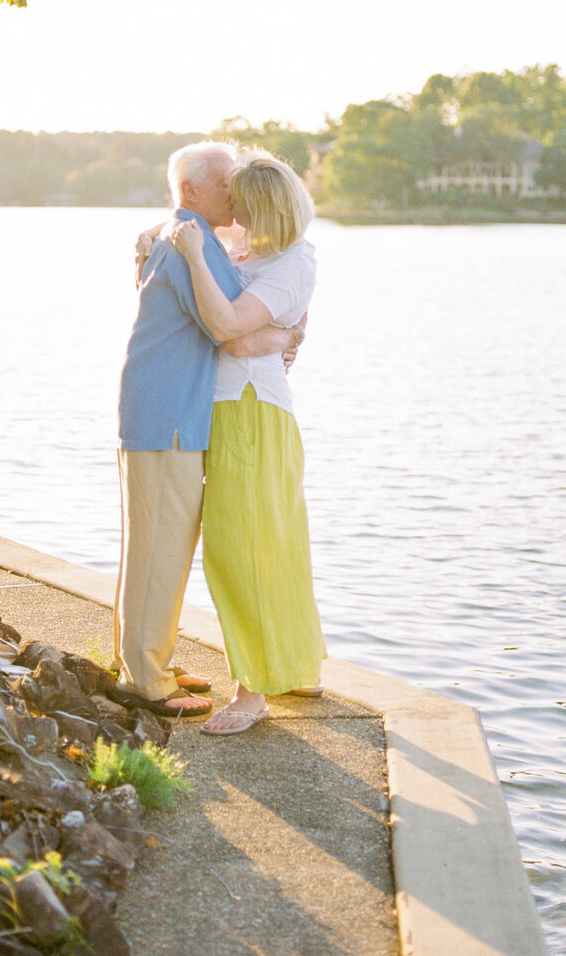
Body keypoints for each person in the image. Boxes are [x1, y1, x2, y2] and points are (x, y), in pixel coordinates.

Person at [113, 142, 303, 718]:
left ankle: (152, 662)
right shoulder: (190, 244)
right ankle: (145, 681)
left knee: (164, 544)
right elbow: (233, 330)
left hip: (170, 410)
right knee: (158, 549)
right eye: (226, 183)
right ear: (192, 191)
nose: (237, 193)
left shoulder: (185, 234)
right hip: (167, 413)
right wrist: (289, 335)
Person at [171, 151, 325, 735]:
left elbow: (230, 335)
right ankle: (292, 665)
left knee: (244, 548)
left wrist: (192, 257)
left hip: (251, 413)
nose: (228, 204)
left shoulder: (289, 263)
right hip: (239, 411)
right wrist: (284, 332)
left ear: (262, 207)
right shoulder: (251, 254)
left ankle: (252, 691)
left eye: (238, 198)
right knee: (274, 542)